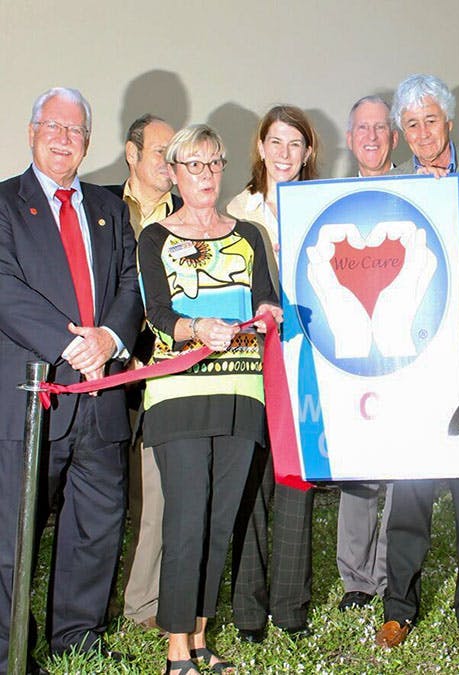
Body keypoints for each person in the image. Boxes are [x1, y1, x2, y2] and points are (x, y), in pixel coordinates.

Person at [0, 87, 143, 672]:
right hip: (37, 398)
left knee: (96, 525)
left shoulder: (111, 209)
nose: (64, 138)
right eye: (53, 127)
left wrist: (109, 338)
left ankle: (77, 639)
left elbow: (131, 284)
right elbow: (4, 287)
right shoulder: (6, 203)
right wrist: (71, 343)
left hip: (100, 398)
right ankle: (10, 649)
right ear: (32, 132)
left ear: (88, 141)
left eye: (75, 130)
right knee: (13, 537)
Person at [138, 124, 282, 675]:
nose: (204, 175)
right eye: (192, 165)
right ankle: (176, 648)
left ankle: (198, 636)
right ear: (174, 172)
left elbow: (267, 301)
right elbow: (158, 314)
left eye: (213, 163)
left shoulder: (248, 234)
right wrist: (197, 326)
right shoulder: (155, 237)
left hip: (243, 392)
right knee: (187, 519)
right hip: (179, 393)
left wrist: (269, 315)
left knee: (223, 520)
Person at [375, 74, 459, 653]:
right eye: (411, 125)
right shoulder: (391, 188)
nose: (423, 133)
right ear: (401, 133)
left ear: (450, 122)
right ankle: (398, 605)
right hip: (414, 369)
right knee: (409, 491)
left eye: (432, 120)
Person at [225, 105, 318, 644]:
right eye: (275, 143)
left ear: (308, 153)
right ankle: (248, 610)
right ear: (260, 146)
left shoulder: (322, 206)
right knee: (252, 482)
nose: (284, 155)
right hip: (253, 359)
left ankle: (291, 604)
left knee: (296, 480)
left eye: (295, 145)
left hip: (305, 359)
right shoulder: (236, 210)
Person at [105, 113, 181, 632]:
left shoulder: (191, 216)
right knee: (104, 499)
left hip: (164, 374)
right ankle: (92, 602)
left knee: (154, 497)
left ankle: (140, 607)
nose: (171, 163)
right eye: (161, 152)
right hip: (106, 375)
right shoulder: (100, 206)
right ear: (131, 155)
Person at [334, 95, 398, 612]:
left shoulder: (412, 195)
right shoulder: (329, 203)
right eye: (362, 128)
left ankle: (388, 571)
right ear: (349, 138)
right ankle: (356, 579)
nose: (372, 136)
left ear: (392, 138)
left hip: (402, 349)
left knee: (399, 465)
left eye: (381, 127)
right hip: (351, 350)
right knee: (357, 469)